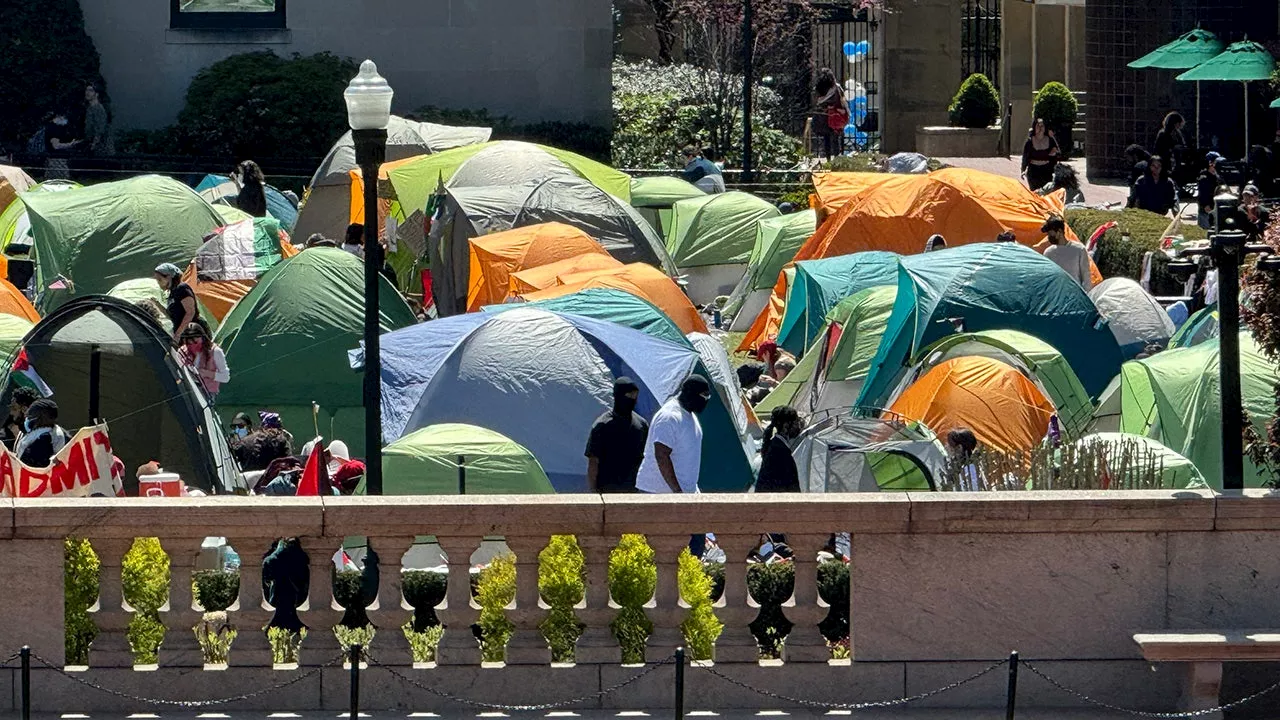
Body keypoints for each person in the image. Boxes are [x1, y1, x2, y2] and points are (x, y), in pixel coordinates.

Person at [635, 375, 711, 495]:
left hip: (683, 494)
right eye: (704, 396)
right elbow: (661, 455)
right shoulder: (669, 417)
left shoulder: (689, 415)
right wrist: (677, 491)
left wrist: (692, 490)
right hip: (658, 492)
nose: (706, 400)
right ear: (690, 393)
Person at [585, 377, 649, 493]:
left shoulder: (641, 425)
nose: (632, 399)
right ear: (618, 396)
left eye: (635, 395)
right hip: (607, 491)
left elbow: (646, 458)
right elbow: (593, 462)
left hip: (634, 491)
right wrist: (594, 493)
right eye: (629, 395)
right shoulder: (602, 425)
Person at [756, 405, 803, 493]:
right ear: (786, 425)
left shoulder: (775, 445)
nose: (798, 426)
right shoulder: (780, 452)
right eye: (796, 422)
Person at [178, 322, 230, 402]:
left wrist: (206, 373)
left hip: (207, 393)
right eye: (189, 343)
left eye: (196, 342)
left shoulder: (215, 352)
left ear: (203, 337)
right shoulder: (183, 351)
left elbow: (226, 377)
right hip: (186, 389)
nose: (192, 346)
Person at [1041, 215, 1093, 290]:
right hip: (1057, 296)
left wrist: (1085, 296)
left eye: (1050, 233)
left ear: (1059, 232)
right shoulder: (1048, 252)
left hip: (1075, 295)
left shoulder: (1079, 249)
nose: (1048, 237)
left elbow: (1086, 277)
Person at [16, 399, 69, 468]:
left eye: (30, 415)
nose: (27, 418)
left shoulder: (42, 440)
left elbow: (29, 465)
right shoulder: (61, 433)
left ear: (40, 417)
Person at [154, 263, 196, 345]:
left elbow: (190, 312)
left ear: (169, 277)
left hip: (191, 334)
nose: (158, 283)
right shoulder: (172, 293)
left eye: (160, 279)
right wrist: (158, 305)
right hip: (181, 336)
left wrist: (178, 334)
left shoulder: (182, 288)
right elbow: (172, 315)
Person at [814, 68, 848, 160]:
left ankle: (828, 158)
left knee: (826, 139)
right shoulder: (836, 87)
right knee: (835, 139)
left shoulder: (819, 88)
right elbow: (842, 101)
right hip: (835, 115)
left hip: (823, 116)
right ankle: (837, 159)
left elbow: (817, 102)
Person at [1021, 119, 1060, 191]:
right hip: (1033, 171)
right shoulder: (1029, 142)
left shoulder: (1050, 140)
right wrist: (1023, 170)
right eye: (1038, 126)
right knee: (1035, 192)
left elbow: (1057, 153)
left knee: (1046, 192)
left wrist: (1054, 152)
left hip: (1047, 171)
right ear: (1034, 127)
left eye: (1042, 126)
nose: (1040, 128)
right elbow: (1025, 157)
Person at [44, 112, 79, 180]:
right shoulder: (54, 129)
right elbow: (56, 146)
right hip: (57, 160)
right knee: (62, 180)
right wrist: (70, 144)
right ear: (59, 117)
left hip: (55, 159)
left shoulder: (52, 127)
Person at [83, 84, 111, 157]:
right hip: (92, 145)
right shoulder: (89, 108)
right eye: (87, 90)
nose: (87, 93)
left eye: (91, 90)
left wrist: (94, 144)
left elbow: (100, 129)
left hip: (100, 148)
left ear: (97, 94)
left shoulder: (98, 109)